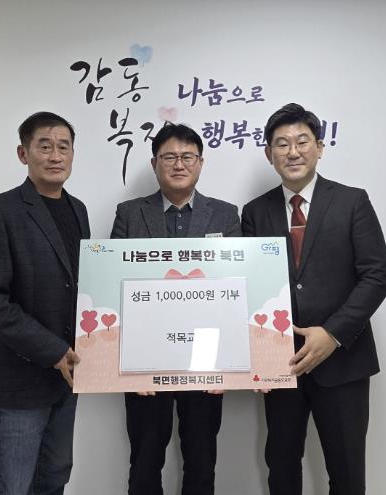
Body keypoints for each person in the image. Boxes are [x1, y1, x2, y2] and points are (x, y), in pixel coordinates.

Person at [241, 103, 386, 495]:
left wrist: (332, 334)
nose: (293, 151)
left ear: (320, 148)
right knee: (281, 468)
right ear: (268, 154)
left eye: (302, 141)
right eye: (282, 144)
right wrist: (259, 357)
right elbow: (250, 288)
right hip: (281, 365)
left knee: (346, 473)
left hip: (343, 362)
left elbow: (377, 275)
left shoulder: (352, 201)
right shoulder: (255, 212)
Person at [0, 111, 90, 495]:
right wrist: (52, 350)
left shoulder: (78, 209)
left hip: (67, 381)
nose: (56, 156)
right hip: (18, 386)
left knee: (54, 480)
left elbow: (81, 288)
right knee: (13, 486)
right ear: (24, 153)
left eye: (63, 147)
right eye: (44, 146)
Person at [110, 123, 241, 495]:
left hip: (206, 356)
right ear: (154, 164)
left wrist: (226, 364)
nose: (178, 164)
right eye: (169, 157)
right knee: (145, 461)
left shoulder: (225, 215)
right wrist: (126, 365)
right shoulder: (130, 213)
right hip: (144, 357)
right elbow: (113, 284)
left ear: (201, 163)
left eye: (187, 156)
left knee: (201, 459)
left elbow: (236, 289)